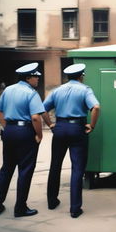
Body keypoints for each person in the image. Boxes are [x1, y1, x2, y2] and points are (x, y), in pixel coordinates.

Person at [42, 63, 100, 218]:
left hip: (60, 128)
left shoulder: (57, 90)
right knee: (77, 168)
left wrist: (50, 124)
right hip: (77, 129)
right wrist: (91, 125)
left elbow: (42, 109)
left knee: (55, 165)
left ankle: (52, 201)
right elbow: (96, 107)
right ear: (81, 76)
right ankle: (75, 209)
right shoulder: (85, 89)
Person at [0, 63, 45, 217]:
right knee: (25, 170)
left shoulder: (8, 89)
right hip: (25, 132)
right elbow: (36, 117)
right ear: (28, 78)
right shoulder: (31, 93)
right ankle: (20, 208)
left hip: (9, 131)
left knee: (6, 168)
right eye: (36, 77)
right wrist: (39, 135)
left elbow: (0, 111)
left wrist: (7, 127)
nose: (37, 80)